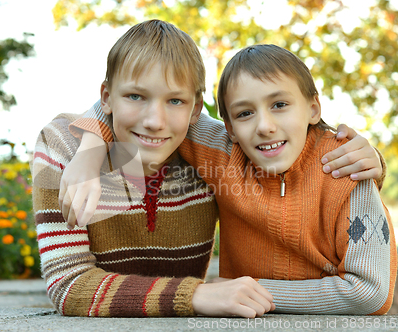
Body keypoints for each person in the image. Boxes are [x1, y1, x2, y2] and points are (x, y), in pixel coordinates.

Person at [64, 43, 395, 315]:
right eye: (245, 113)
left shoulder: (347, 170)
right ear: (230, 127)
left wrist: (247, 292)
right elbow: (128, 101)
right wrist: (88, 152)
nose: (264, 125)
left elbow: (369, 293)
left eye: (279, 104)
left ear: (313, 108)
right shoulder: (222, 150)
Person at [32, 20, 276, 318]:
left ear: (196, 109)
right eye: (136, 96)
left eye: (175, 100)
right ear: (106, 97)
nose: (154, 121)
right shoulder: (63, 147)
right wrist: (194, 295)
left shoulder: (210, 149)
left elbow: (282, 141)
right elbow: (69, 286)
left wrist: (343, 144)